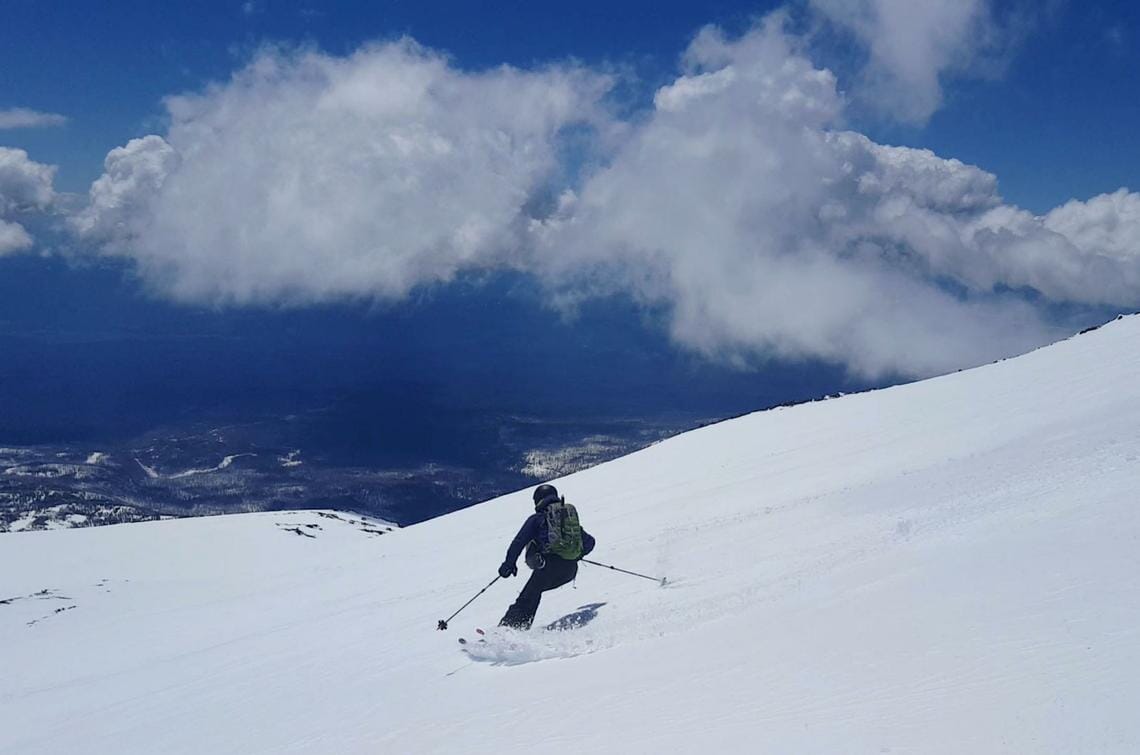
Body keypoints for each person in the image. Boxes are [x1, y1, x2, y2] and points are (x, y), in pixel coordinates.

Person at [497, 484, 595, 630]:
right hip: (569, 571)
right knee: (533, 593)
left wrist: (508, 565)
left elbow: (518, 542)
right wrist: (574, 555)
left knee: (527, 598)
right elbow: (590, 542)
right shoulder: (566, 518)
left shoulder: (537, 519)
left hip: (548, 569)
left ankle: (508, 632)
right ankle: (516, 630)